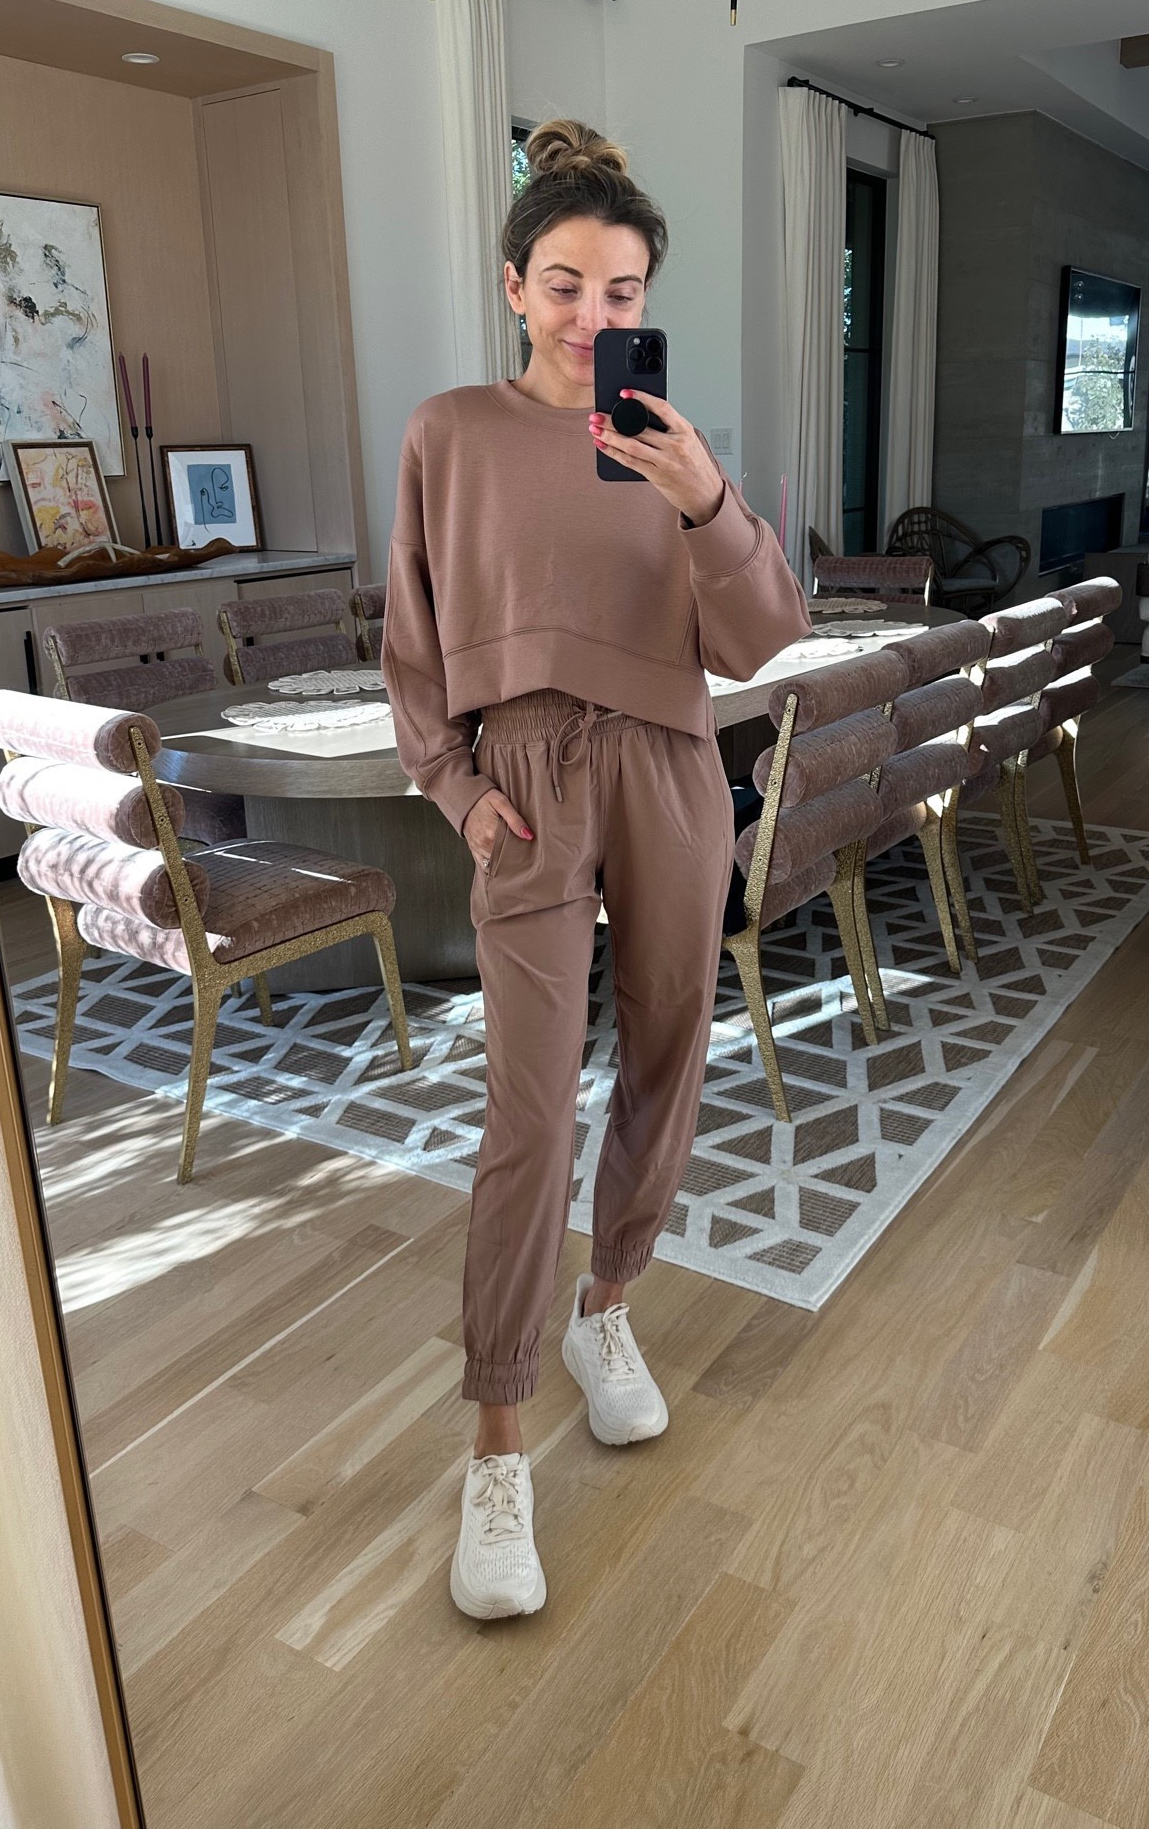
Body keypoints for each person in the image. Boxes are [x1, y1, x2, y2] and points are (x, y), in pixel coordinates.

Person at [382, 119, 810, 1620]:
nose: (590, 316)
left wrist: (705, 501)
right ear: (515, 286)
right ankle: (497, 1440)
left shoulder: (674, 446)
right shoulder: (448, 434)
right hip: (527, 786)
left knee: (670, 1049)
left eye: (619, 292)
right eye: (564, 285)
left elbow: (763, 641)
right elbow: (412, 648)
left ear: (645, 302)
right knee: (528, 1105)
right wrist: (456, 791)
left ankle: (604, 1308)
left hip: (672, 771)